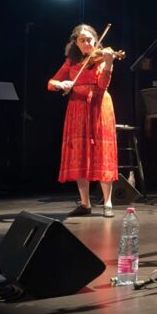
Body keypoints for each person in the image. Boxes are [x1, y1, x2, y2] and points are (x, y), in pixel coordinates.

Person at [47, 24, 119, 218]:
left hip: (99, 106)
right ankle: (85, 203)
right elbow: (51, 83)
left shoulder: (101, 59)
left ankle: (108, 202)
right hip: (77, 108)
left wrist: (109, 64)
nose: (87, 43)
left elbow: (103, 85)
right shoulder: (71, 62)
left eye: (90, 40)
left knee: (103, 152)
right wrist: (61, 84)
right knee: (79, 153)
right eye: (82, 40)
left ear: (96, 40)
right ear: (76, 43)